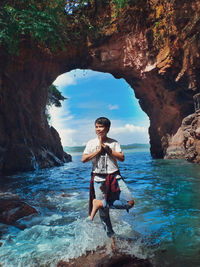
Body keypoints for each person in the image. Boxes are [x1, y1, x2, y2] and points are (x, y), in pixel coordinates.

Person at [82, 117, 134, 249]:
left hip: (115, 176)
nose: (98, 129)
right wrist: (98, 151)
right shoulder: (90, 143)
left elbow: (122, 158)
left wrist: (108, 150)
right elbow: (83, 159)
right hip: (98, 179)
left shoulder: (114, 142)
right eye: (96, 127)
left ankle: (99, 203)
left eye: (101, 127)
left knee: (129, 203)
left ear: (108, 129)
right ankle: (111, 239)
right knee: (104, 214)